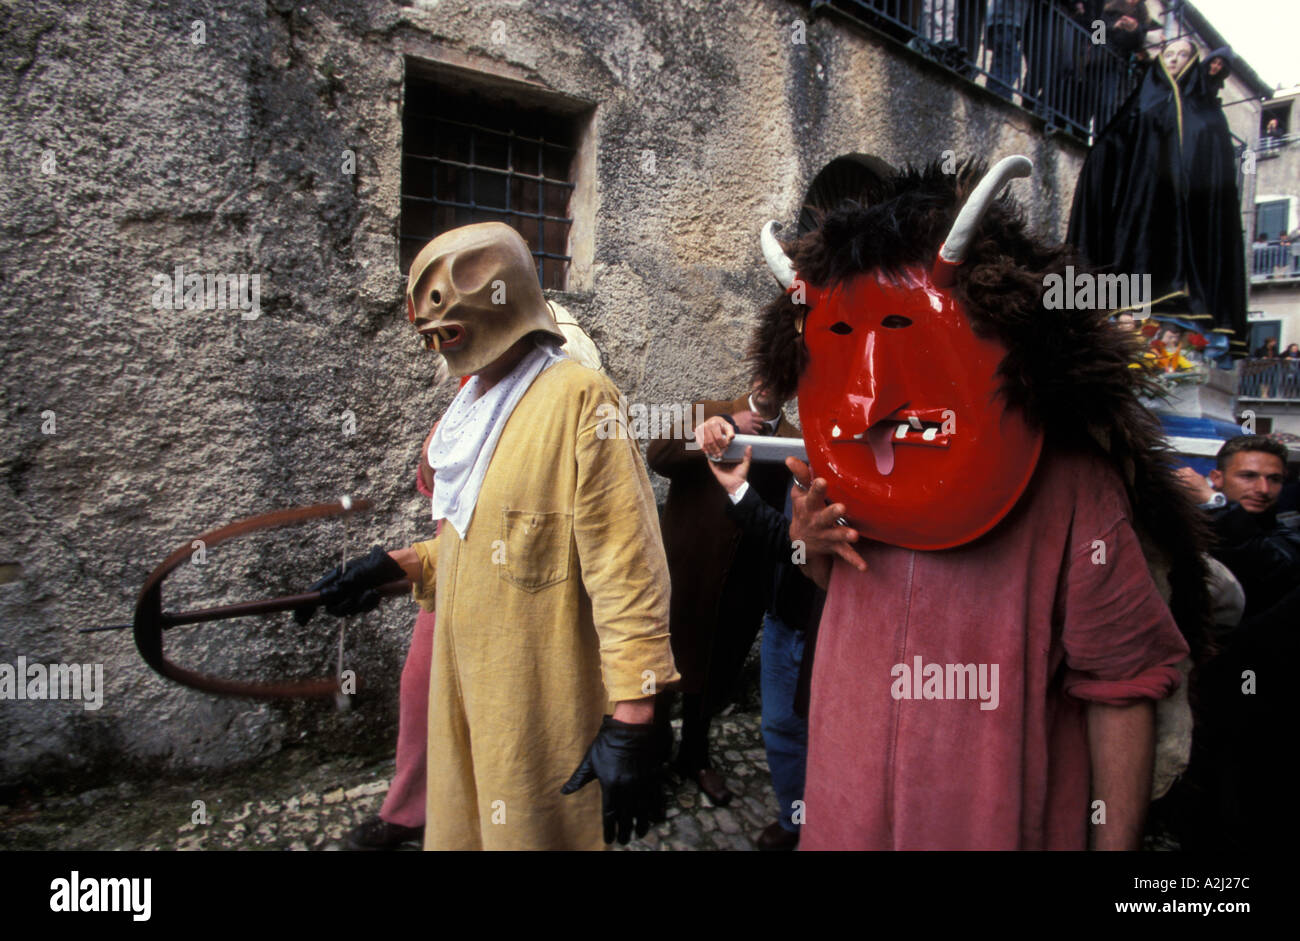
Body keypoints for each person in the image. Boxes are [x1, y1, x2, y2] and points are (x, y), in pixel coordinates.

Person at [753, 156, 1207, 849]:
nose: (871, 398)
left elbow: (1122, 684)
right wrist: (808, 542)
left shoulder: (1073, 482)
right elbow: (836, 588)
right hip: (845, 813)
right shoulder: (840, 458)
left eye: (902, 326)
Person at [301, 222, 679, 850]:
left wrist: (635, 717)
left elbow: (627, 566)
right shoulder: (472, 405)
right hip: (461, 706)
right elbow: (483, 547)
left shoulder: (581, 398)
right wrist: (391, 568)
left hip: (534, 710)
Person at [646, 381, 796, 807]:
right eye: (763, 372)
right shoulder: (710, 409)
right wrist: (723, 423)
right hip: (685, 571)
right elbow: (658, 457)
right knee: (660, 667)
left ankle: (694, 755)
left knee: (716, 671)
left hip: (743, 583)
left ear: (792, 389)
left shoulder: (793, 440)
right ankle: (650, 754)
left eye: (780, 376)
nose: (768, 382)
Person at [1173, 436, 1299, 849]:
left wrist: (1215, 506)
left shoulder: (1284, 534)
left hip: (1260, 706)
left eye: (1273, 479)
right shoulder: (1185, 529)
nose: (1262, 489)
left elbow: (1271, 565)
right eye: (1248, 476)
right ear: (1218, 476)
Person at [700, 437, 825, 850]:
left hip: (830, 630)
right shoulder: (793, 452)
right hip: (783, 622)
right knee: (779, 728)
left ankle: (831, 827)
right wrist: (737, 486)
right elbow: (790, 545)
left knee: (834, 741)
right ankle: (795, 818)